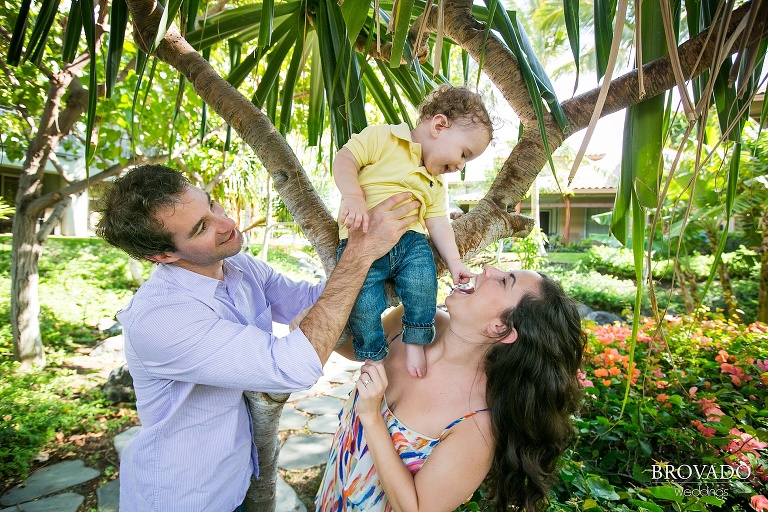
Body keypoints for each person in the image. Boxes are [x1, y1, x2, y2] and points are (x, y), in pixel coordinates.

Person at [94, 164, 420, 512]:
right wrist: (359, 253)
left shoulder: (240, 268)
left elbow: (315, 302)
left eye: (212, 205)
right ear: (163, 255)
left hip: (239, 478)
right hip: (183, 495)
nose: (228, 222)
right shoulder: (160, 318)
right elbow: (293, 367)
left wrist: (402, 268)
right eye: (202, 227)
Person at [315, 266, 586, 512]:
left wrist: (372, 418)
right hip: (330, 499)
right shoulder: (416, 321)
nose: (489, 269)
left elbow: (416, 509)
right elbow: (352, 346)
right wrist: (317, 318)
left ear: (500, 327)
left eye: (505, 281)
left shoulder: (477, 423)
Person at [334, 84, 493, 378]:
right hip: (362, 237)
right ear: (439, 125)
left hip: (411, 243)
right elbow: (345, 159)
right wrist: (354, 197)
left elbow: (439, 223)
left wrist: (456, 263)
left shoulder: (436, 183)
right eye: (464, 154)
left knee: (424, 282)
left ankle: (417, 339)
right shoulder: (383, 137)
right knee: (362, 302)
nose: (460, 166)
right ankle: (373, 355)